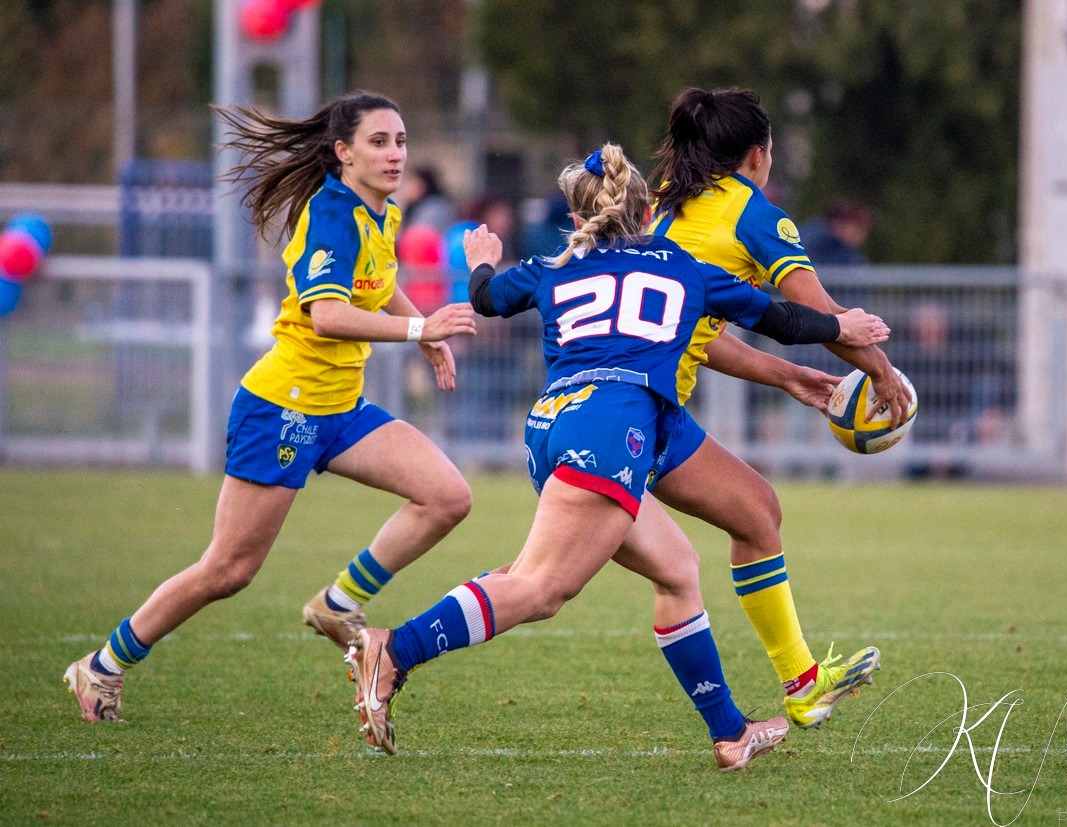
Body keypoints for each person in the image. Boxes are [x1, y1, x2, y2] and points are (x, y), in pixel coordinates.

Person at [344, 143, 890, 769]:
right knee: (541, 588)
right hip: (614, 430)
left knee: (677, 570)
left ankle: (732, 733)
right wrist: (841, 328)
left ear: (579, 218)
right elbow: (780, 319)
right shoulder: (683, 266)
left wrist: (481, 260)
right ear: (647, 211)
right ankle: (392, 649)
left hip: (552, 426)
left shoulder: (556, 265)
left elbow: (488, 297)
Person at [62, 91, 478, 724]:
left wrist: (422, 331)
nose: (395, 153)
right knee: (229, 569)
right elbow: (329, 315)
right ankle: (102, 665)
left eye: (400, 140)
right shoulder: (332, 214)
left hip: (340, 408)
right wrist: (422, 330)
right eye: (379, 142)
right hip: (283, 407)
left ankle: (339, 603)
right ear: (343, 153)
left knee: (447, 496)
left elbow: (379, 281)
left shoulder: (382, 211)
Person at [644, 87, 913, 728]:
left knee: (756, 513)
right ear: (759, 155)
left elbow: (697, 337)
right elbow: (823, 316)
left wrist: (796, 379)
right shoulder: (752, 213)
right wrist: (882, 374)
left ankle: (802, 684)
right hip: (631, 413)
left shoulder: (666, 203)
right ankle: (405, 648)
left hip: (644, 406)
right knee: (543, 585)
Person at [399, 165, 457, 232]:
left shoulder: (435, 208)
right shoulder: (413, 207)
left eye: (412, 186)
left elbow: (420, 233)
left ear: (423, 186)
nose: (406, 190)